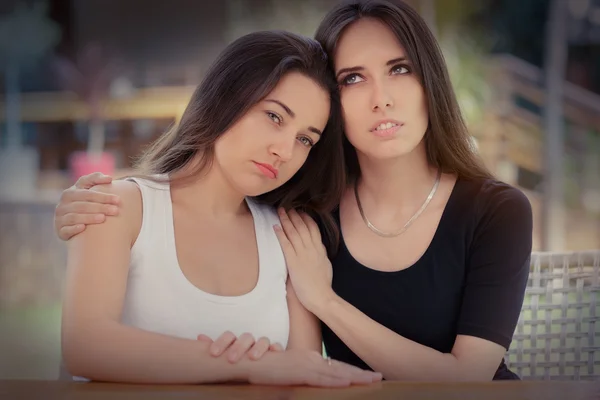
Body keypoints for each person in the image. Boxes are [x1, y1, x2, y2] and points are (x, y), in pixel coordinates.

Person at [54, 0, 533, 381]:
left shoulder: (495, 211)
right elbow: (87, 345)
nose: (381, 97)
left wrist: (324, 300)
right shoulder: (308, 216)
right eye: (352, 78)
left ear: (431, 80)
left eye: (400, 69)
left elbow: (465, 377)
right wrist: (81, 206)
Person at [54, 29, 383, 386]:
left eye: (305, 139)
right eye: (274, 117)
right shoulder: (120, 208)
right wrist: (246, 365)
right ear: (226, 98)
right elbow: (85, 346)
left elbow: (300, 374)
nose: (285, 152)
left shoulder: (289, 236)